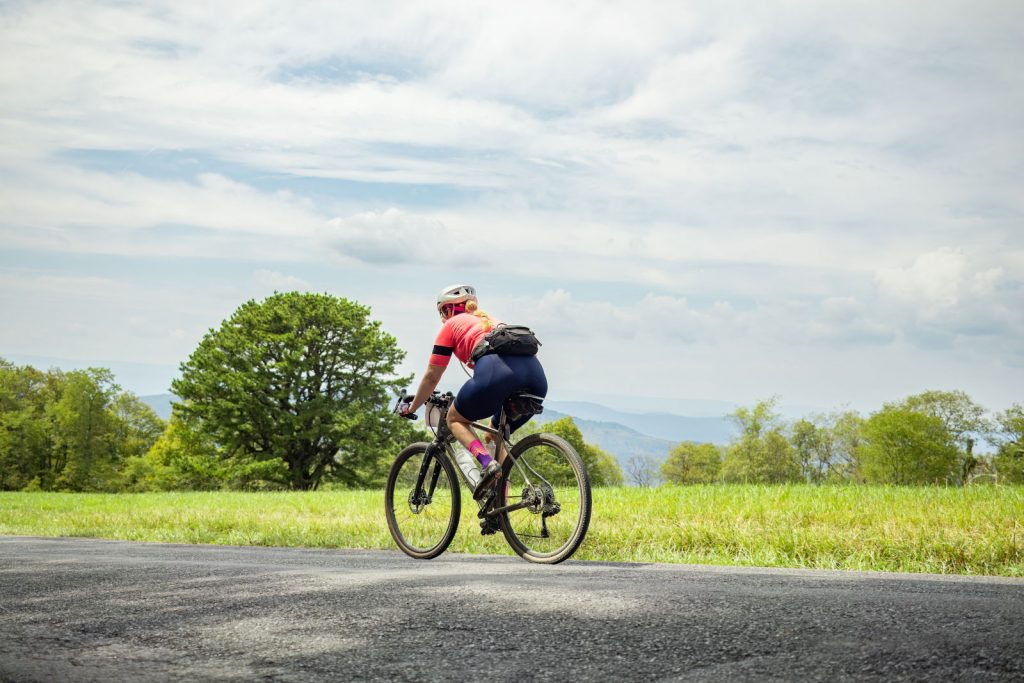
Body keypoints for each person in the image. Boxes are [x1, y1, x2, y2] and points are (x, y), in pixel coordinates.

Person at [398, 284, 547, 500]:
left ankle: (489, 465)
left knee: (455, 418)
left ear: (448, 310)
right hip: (536, 379)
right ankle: (502, 502)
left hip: (496, 373)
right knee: (494, 434)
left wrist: (412, 407)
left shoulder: (451, 326)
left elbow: (432, 376)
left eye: (441, 312)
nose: (442, 317)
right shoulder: (493, 321)